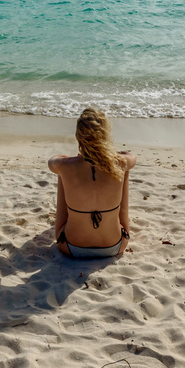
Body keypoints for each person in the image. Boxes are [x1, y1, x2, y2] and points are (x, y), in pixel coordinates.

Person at [48, 107, 136, 259]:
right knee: (123, 169)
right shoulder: (120, 163)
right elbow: (131, 156)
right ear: (105, 136)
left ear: (78, 136)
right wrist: (109, 155)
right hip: (116, 245)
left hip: (69, 246)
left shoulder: (66, 165)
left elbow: (53, 161)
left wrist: (73, 160)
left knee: (63, 172)